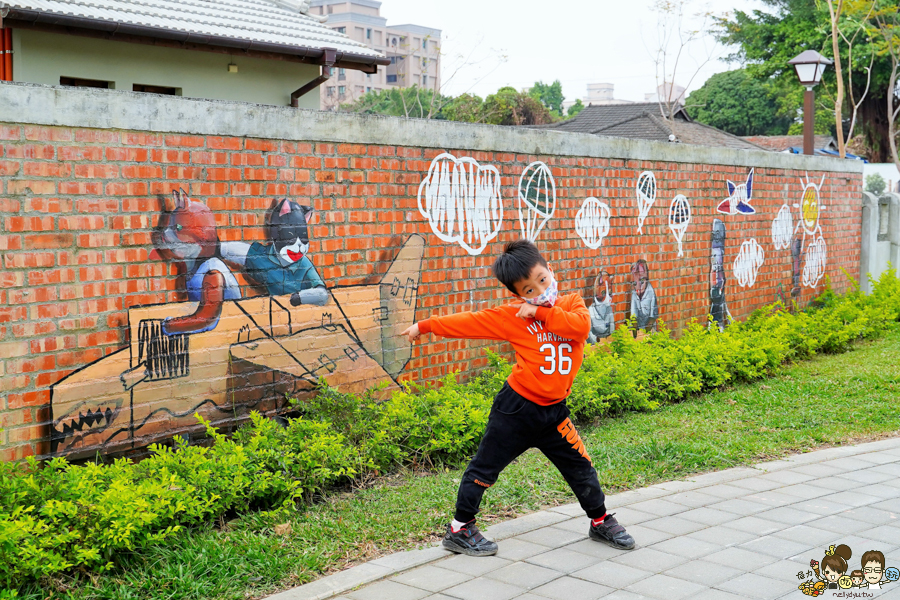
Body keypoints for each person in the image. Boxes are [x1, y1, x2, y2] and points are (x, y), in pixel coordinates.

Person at [400, 240, 635, 557]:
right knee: (484, 469)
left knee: (581, 467)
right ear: (517, 295)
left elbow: (580, 328)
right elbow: (472, 321)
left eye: (542, 280)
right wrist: (425, 326)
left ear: (550, 270)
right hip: (516, 410)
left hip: (554, 414)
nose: (539, 290)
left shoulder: (572, 303)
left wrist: (539, 311)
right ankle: (460, 529)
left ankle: (600, 520)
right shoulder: (515, 316)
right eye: (528, 290)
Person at [588, 270, 615, 343]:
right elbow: (588, 333)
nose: (607, 297)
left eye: (609, 293)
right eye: (603, 293)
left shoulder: (609, 309)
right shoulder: (590, 310)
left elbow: (612, 330)